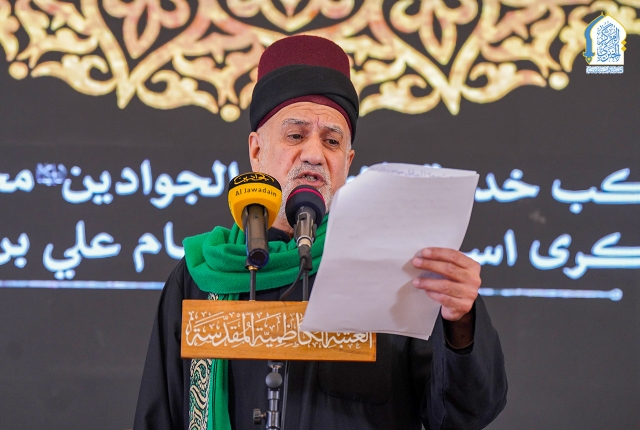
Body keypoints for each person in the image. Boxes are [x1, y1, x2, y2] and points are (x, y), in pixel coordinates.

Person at [134, 35, 507, 430]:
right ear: (257, 151)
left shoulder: (394, 270)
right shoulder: (203, 277)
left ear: (347, 161)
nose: (314, 154)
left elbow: (462, 414)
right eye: (295, 136)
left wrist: (461, 322)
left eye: (331, 141)